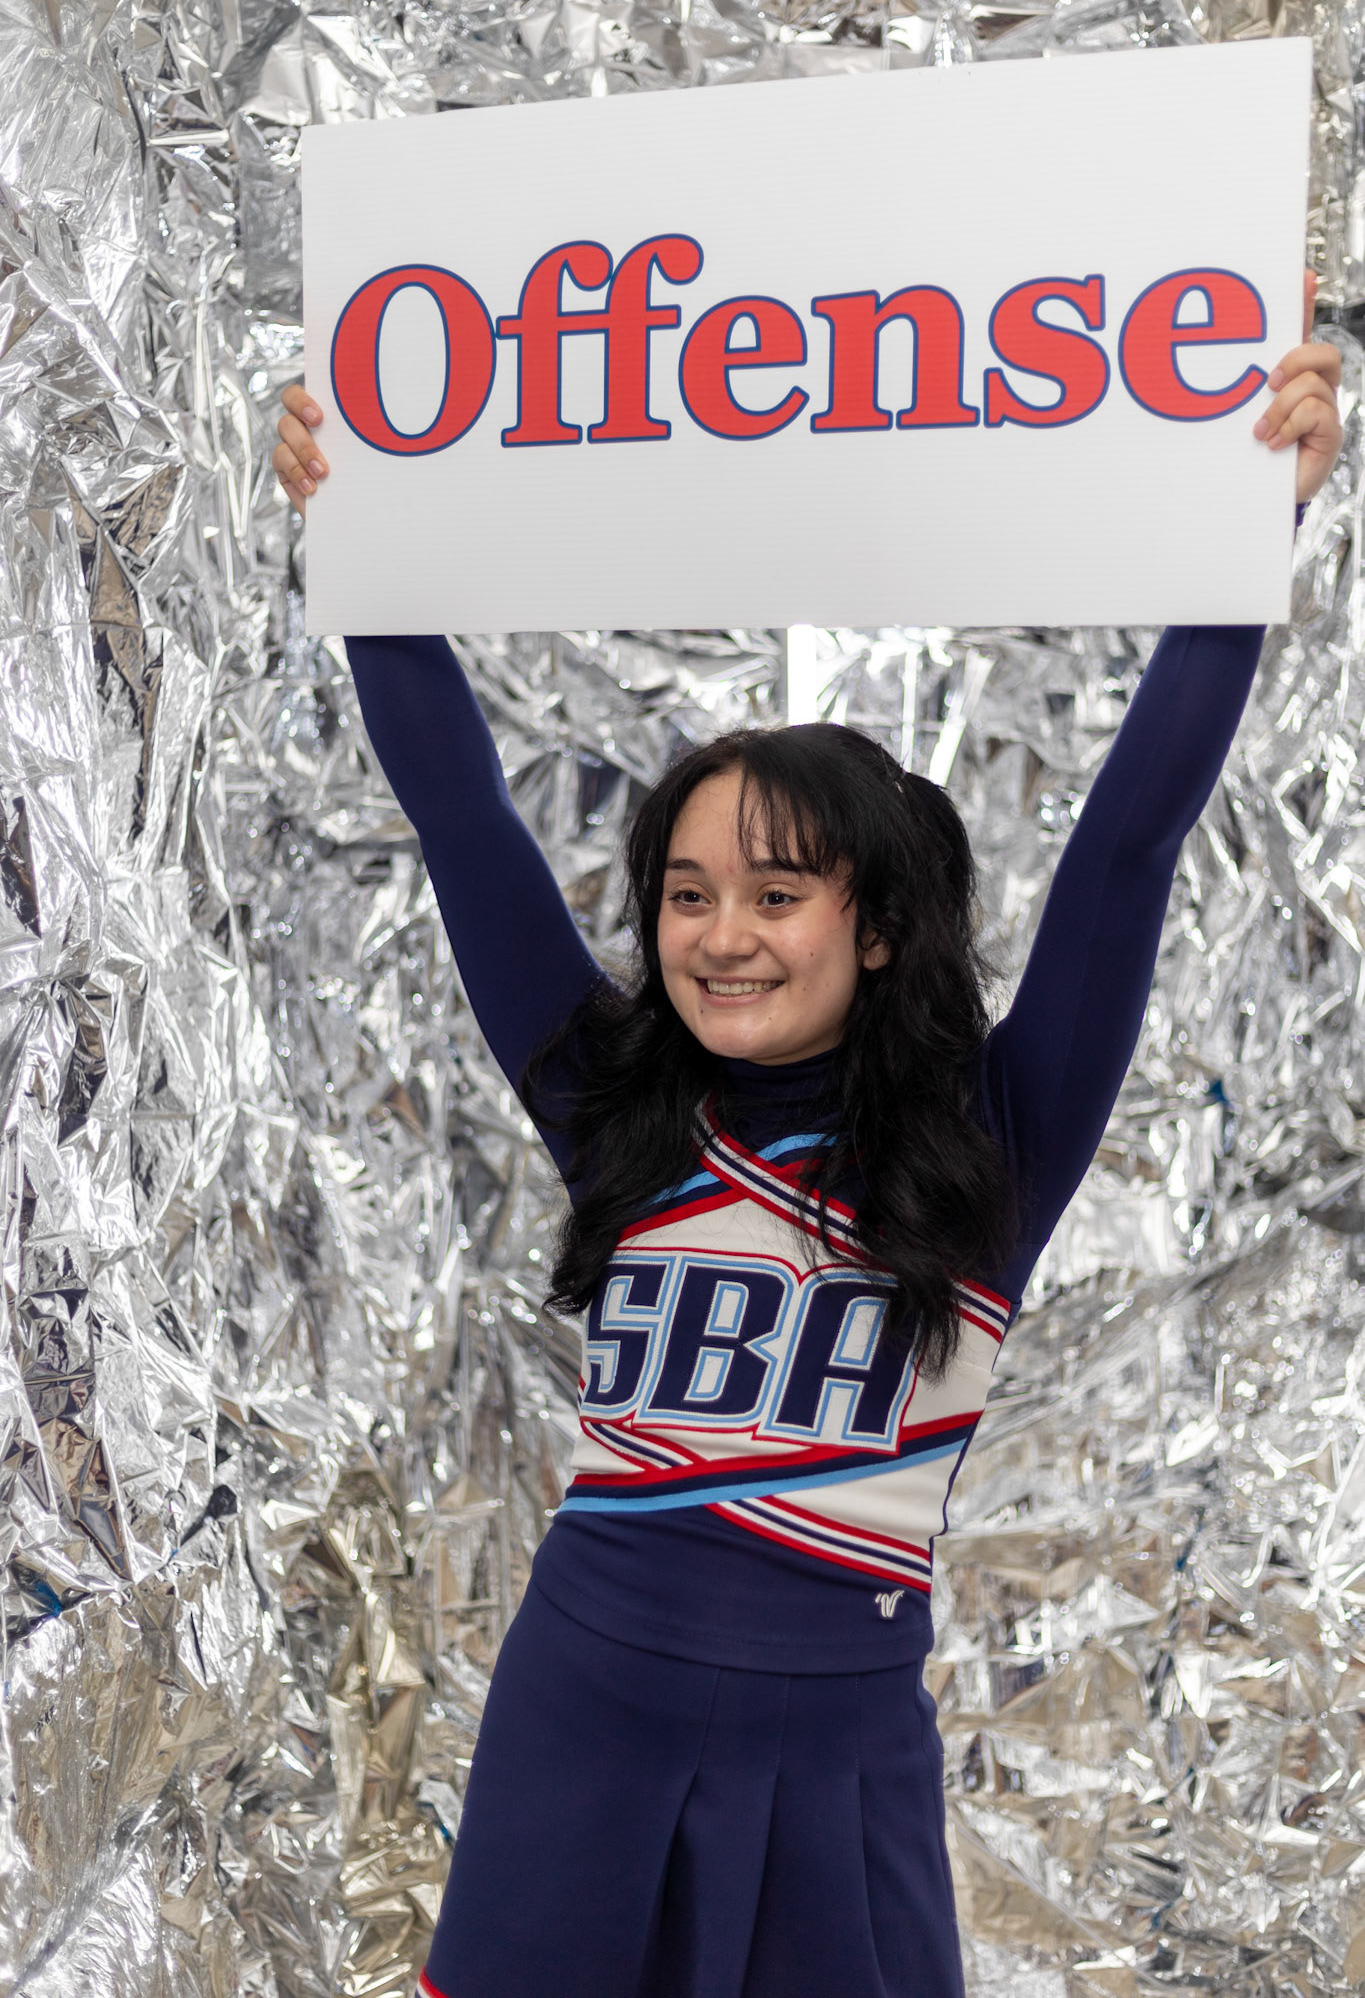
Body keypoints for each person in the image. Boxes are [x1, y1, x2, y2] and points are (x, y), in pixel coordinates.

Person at [274, 272, 1342, 1998]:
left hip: (836, 1770)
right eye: (685, 894)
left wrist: (1244, 533)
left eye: (776, 893)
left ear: (881, 926)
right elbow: (460, 818)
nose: (719, 936)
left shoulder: (1000, 1134)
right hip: (576, 1737)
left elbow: (1126, 855)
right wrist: (362, 542)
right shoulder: (609, 1097)